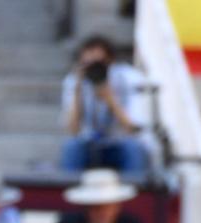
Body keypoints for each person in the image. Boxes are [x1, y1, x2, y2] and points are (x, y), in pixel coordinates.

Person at [59, 35, 147, 179]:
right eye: (89, 65)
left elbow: (134, 129)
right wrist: (77, 92)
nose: (95, 70)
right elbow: (73, 130)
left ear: (111, 62)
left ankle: (136, 198)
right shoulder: (74, 82)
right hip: (89, 144)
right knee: (71, 146)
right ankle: (69, 195)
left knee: (133, 148)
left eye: (99, 64)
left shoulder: (127, 78)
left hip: (119, 142)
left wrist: (110, 99)